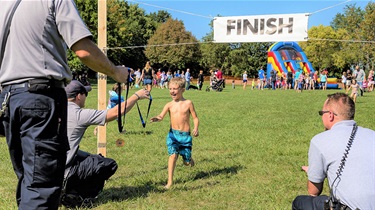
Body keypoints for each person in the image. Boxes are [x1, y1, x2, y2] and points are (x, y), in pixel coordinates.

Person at [0, 1, 130, 209]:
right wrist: (116, 72)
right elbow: (83, 50)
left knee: (28, 180)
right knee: (40, 187)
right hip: (40, 98)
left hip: (10, 99)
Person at [61, 80, 149, 207]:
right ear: (78, 96)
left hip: (44, 169)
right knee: (107, 164)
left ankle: (62, 191)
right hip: (63, 172)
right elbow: (114, 113)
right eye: (86, 93)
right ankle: (78, 197)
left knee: (87, 157)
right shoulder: (79, 114)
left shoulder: (53, 110)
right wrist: (136, 96)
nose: (86, 97)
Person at [292, 93, 375, 210]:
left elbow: (314, 191)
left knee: (299, 202)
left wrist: (314, 171)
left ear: (330, 115)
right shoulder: (372, 135)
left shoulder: (320, 140)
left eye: (322, 113)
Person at [150, 77, 199, 189]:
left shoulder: (188, 103)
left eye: (175, 89)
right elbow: (161, 116)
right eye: (170, 88)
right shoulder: (169, 105)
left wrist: (196, 128)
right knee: (173, 156)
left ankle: (189, 159)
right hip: (173, 135)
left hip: (185, 136)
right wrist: (157, 118)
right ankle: (170, 182)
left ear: (182, 89)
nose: (172, 91)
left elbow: (195, 118)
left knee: (186, 163)